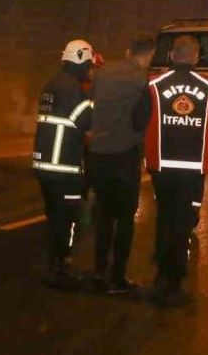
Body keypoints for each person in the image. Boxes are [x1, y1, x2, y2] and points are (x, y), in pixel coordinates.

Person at [134, 35, 208, 307]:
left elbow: (137, 119)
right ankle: (176, 282)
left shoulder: (154, 86)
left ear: (170, 56)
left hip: (163, 165)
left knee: (165, 218)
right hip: (193, 167)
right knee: (183, 222)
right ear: (196, 57)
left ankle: (160, 278)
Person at [86, 34, 154, 294]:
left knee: (103, 214)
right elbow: (141, 120)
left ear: (127, 51)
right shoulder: (142, 81)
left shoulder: (102, 73)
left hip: (98, 153)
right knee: (125, 218)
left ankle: (99, 272)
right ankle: (118, 277)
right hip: (125, 156)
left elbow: (89, 104)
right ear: (148, 56)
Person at [32, 39, 96, 290]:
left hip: (43, 164)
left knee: (54, 215)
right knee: (67, 218)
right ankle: (60, 268)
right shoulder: (75, 90)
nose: (89, 69)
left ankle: (54, 265)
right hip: (64, 167)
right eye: (88, 64)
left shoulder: (51, 85)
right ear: (81, 60)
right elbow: (88, 123)